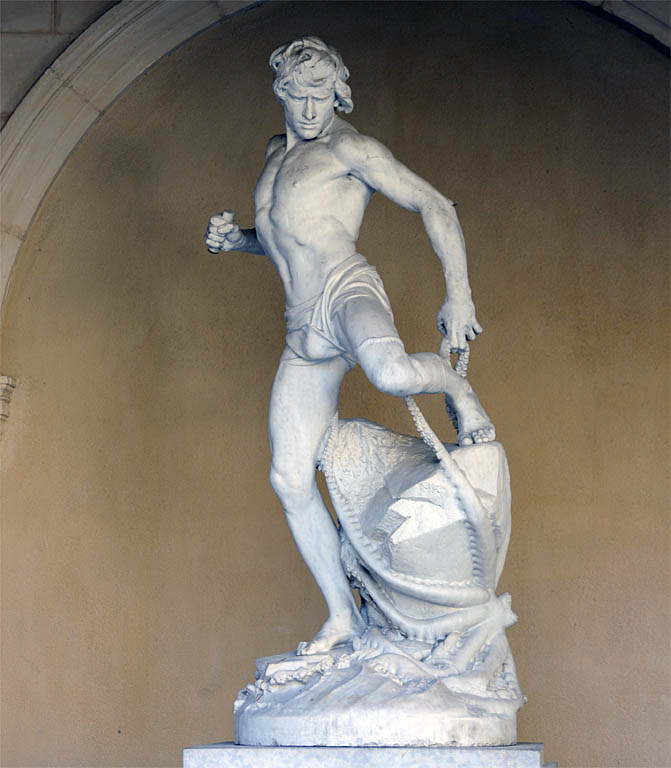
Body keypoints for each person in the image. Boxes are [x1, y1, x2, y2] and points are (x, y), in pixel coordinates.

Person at [205, 37, 494, 655]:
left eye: (322, 95)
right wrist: (239, 241)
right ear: (280, 93)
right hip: (301, 325)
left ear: (338, 92)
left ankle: (455, 385)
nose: (312, 109)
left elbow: (433, 202)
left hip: (345, 291)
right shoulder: (275, 153)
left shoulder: (349, 148)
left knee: (391, 374)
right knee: (289, 478)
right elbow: (288, 237)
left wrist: (460, 296)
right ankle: (343, 616)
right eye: (298, 96)